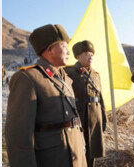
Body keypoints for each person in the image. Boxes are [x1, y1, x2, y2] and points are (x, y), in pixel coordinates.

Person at [5, 24, 87, 167]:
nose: (69, 51)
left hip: (76, 157)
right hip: (52, 159)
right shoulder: (28, 78)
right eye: (64, 46)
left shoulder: (66, 78)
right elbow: (19, 136)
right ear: (50, 49)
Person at [64, 40, 106, 167]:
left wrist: (103, 117)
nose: (91, 56)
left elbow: (100, 98)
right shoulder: (68, 72)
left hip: (95, 118)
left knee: (92, 152)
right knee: (77, 152)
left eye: (92, 54)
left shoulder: (96, 74)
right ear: (78, 56)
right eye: (87, 53)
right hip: (79, 117)